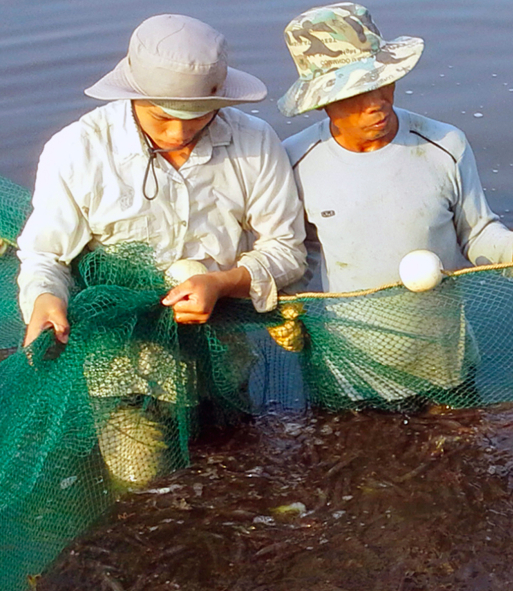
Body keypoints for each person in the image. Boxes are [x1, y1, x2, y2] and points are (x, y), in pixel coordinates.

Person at [278, 2, 513, 406]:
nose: (377, 102)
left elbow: (476, 233)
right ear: (321, 102)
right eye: (354, 93)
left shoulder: (444, 146)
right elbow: (299, 257)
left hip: (443, 364)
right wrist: (284, 310)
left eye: (382, 83)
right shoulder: (295, 162)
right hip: (349, 372)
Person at [18, 13, 306, 348]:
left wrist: (222, 283)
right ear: (132, 94)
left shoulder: (254, 141)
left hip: (222, 345)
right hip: (114, 350)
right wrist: (45, 297)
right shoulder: (78, 149)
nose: (178, 132)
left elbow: (286, 251)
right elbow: (45, 256)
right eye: (162, 117)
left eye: (199, 115)